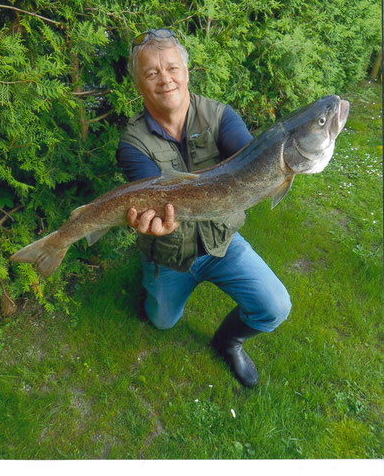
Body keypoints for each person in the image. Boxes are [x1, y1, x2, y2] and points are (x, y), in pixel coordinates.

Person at [116, 29, 291, 387]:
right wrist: (153, 225)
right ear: (138, 84)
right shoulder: (133, 143)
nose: (165, 79)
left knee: (276, 306)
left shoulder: (222, 116)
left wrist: (287, 162)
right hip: (168, 253)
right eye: (152, 73)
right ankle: (151, 277)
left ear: (187, 72)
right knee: (162, 321)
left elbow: (251, 162)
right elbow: (156, 202)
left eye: (172, 68)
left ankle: (229, 342)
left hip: (222, 244)